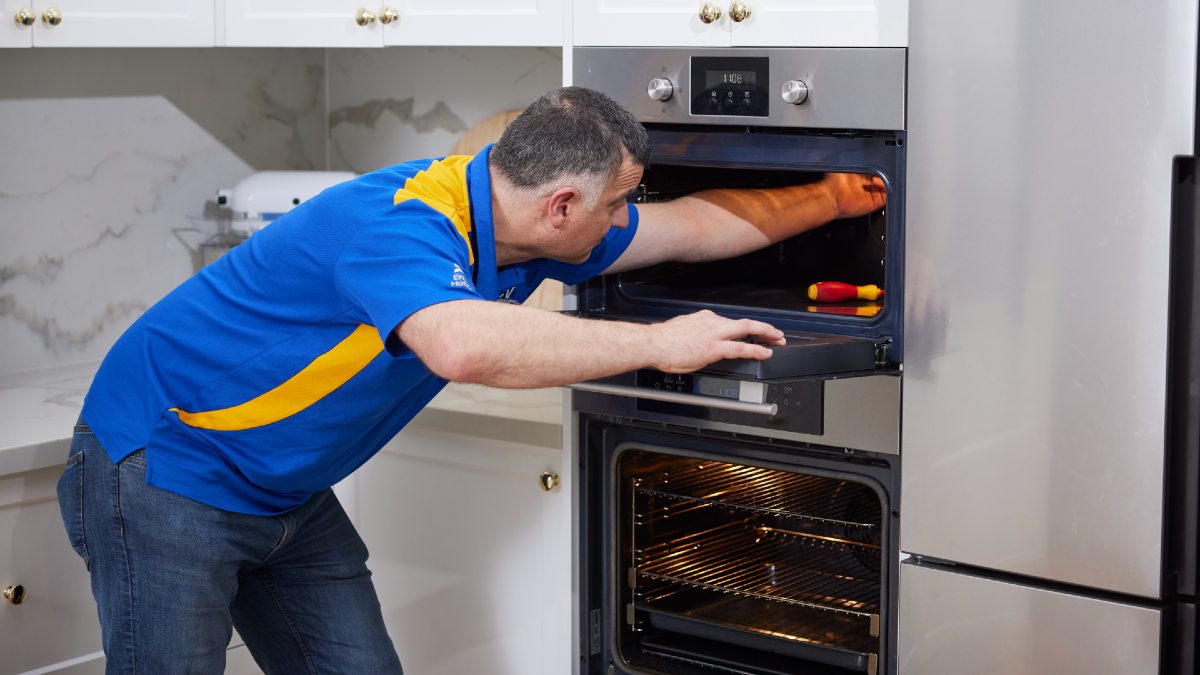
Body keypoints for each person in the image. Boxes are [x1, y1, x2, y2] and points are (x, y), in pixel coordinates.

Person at [57, 86, 885, 673]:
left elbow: (693, 227)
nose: (627, 217)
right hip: (165, 469)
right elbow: (461, 346)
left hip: (282, 490)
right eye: (620, 201)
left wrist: (832, 195)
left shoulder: (531, 220)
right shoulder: (401, 225)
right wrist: (660, 340)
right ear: (562, 205)